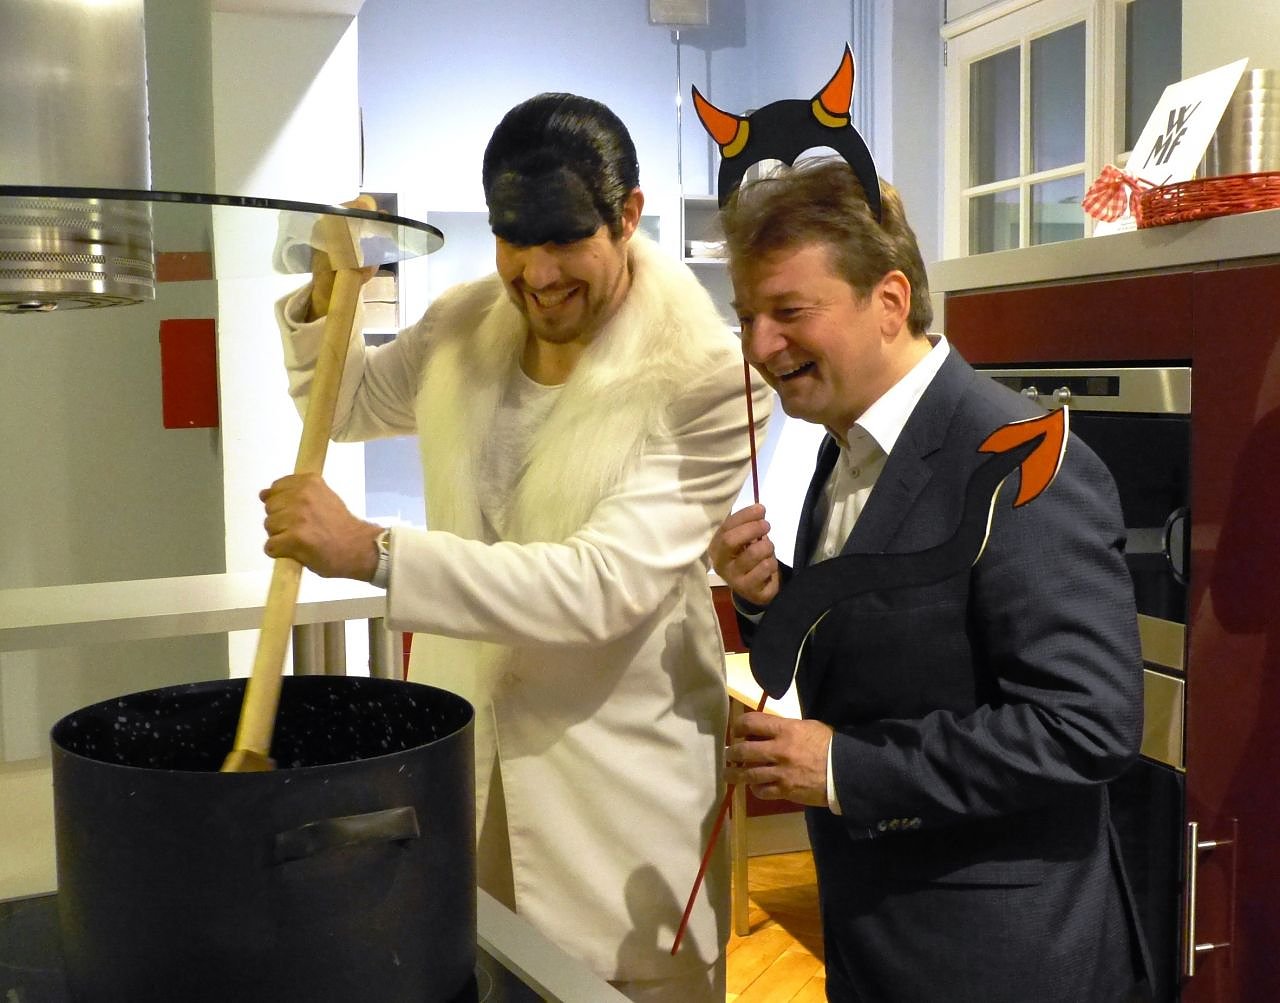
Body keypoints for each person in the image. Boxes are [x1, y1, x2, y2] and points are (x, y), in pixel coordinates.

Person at [260, 93, 770, 1002]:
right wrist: (329, 290)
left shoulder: (707, 378)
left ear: (628, 216)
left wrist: (374, 551)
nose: (537, 273)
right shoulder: (463, 324)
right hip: (468, 767)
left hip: (615, 798)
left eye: (566, 238)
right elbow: (347, 404)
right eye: (512, 238)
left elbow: (600, 587)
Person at [709, 158, 1151, 1002]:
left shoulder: (1019, 456)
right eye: (748, 317)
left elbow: (1087, 724)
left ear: (889, 301)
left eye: (789, 312)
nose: (759, 347)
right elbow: (887, 643)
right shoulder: (844, 446)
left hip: (997, 960)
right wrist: (770, 600)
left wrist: (844, 770)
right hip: (874, 932)